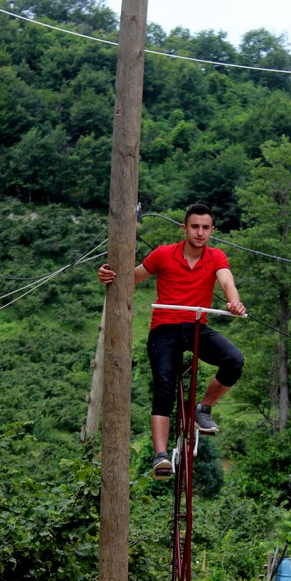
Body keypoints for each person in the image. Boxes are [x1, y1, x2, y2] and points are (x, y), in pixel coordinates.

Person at [99, 202, 246, 478]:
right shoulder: (164, 254)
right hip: (165, 329)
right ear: (185, 228)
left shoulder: (216, 257)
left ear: (212, 230)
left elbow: (227, 282)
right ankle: (161, 455)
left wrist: (234, 301)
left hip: (195, 326)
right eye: (194, 227)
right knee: (164, 386)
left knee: (234, 360)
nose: (200, 233)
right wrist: (109, 276)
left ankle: (202, 409)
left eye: (205, 228)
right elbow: (131, 279)